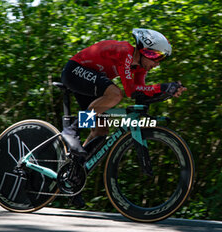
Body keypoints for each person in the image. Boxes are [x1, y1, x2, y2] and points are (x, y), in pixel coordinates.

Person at [60, 28, 187, 207]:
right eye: (156, 56)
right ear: (144, 51)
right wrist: (163, 87)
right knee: (115, 94)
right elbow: (130, 91)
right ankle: (72, 128)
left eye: (162, 59)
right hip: (75, 71)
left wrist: (167, 92)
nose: (158, 63)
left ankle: (74, 177)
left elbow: (140, 93)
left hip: (92, 81)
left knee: (101, 131)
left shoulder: (140, 69)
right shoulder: (126, 53)